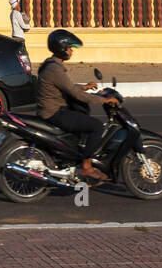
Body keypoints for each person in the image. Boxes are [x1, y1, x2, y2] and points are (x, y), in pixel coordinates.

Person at [36, 29, 118, 183]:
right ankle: (86, 167)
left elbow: (68, 87)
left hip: (51, 109)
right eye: (69, 48)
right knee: (96, 126)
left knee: (81, 113)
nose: (71, 51)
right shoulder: (55, 69)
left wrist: (85, 87)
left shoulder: (52, 64)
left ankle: (74, 156)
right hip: (54, 113)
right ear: (62, 48)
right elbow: (75, 94)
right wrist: (103, 101)